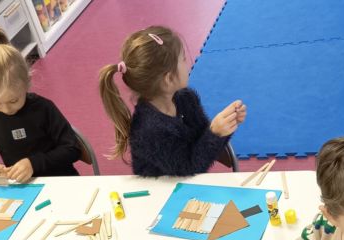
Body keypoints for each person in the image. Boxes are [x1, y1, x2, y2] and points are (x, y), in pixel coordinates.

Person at [99, 25, 247, 177]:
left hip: (185, 181)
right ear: (169, 79)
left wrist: (225, 126)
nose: (188, 64)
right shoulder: (149, 130)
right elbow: (188, 167)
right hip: (160, 187)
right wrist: (214, 133)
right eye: (183, 60)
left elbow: (203, 140)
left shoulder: (186, 99)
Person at [0, 27, 81, 183]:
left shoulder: (43, 109)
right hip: (24, 186)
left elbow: (72, 149)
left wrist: (33, 164)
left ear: (27, 83)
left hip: (60, 180)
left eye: (13, 100)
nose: (6, 109)